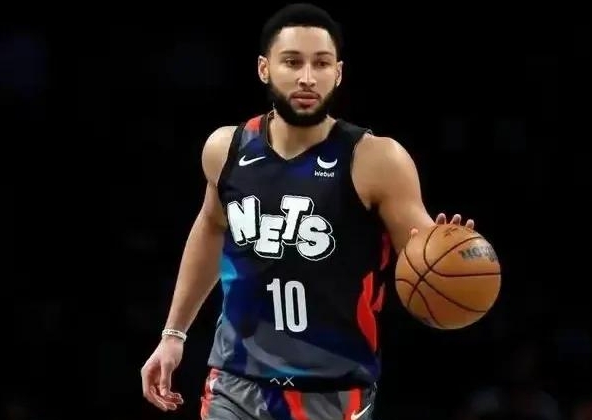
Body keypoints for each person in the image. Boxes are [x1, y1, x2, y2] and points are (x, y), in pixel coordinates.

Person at [140, 3, 475, 419]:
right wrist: (173, 334)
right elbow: (211, 227)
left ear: (339, 73)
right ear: (264, 68)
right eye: (292, 62)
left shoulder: (376, 159)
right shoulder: (226, 148)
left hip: (334, 391)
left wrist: (447, 253)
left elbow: (422, 253)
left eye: (321, 63)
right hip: (235, 382)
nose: (307, 77)